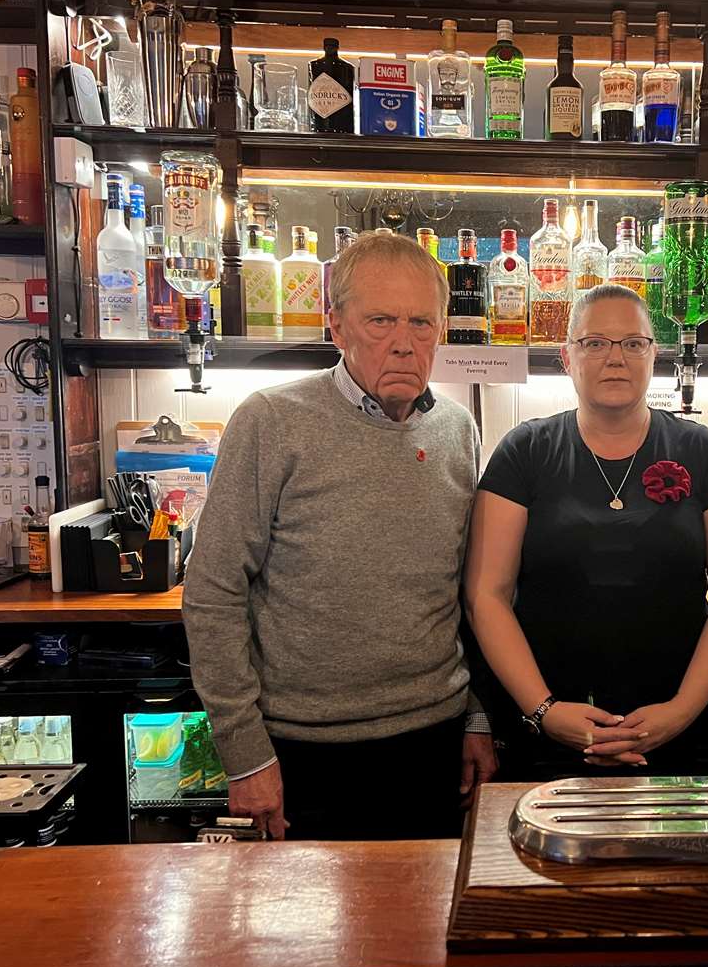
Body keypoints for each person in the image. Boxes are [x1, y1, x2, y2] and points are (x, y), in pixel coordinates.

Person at [185, 232, 497, 840]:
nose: (404, 343)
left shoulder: (459, 430)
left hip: (432, 743)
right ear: (336, 325)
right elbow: (213, 590)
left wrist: (477, 718)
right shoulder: (271, 419)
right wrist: (245, 751)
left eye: (421, 323)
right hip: (302, 751)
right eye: (380, 320)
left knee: (426, 926)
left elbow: (465, 592)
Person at [464, 284, 708, 779]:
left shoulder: (703, 450)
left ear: (653, 354)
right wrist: (544, 710)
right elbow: (485, 595)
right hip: (546, 731)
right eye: (594, 343)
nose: (614, 358)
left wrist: (682, 710)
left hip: (683, 730)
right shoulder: (525, 451)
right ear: (566, 357)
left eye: (632, 343)